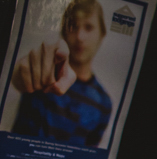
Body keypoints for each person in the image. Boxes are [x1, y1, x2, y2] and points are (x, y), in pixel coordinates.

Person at [9, 0, 114, 148]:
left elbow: (87, 157)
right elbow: (20, 75)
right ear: (64, 31)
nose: (80, 36)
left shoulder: (104, 103)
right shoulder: (45, 70)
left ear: (101, 34)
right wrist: (23, 73)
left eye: (88, 27)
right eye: (73, 26)